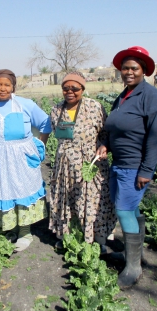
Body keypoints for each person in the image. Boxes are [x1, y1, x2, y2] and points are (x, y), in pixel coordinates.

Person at [97, 46, 157, 289]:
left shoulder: (152, 96)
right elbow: (114, 127)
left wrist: (147, 170)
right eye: (125, 68)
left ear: (144, 70)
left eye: (134, 68)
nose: (128, 72)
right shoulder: (124, 95)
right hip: (119, 164)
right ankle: (131, 255)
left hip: (135, 165)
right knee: (130, 209)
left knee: (125, 211)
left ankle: (133, 267)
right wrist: (105, 144)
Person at [0, 69, 51, 252]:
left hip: (22, 157)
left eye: (7, 84)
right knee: (3, 191)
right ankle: (9, 230)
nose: (2, 88)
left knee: (22, 191)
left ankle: (25, 233)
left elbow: (46, 123)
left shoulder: (25, 104)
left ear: (13, 86)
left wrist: (39, 147)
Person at [49, 71, 116, 251]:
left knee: (94, 202)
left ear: (83, 89)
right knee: (67, 201)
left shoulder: (95, 107)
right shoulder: (56, 110)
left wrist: (104, 147)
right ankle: (69, 238)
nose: (70, 91)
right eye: (65, 88)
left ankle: (98, 241)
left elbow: (105, 134)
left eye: (75, 88)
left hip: (91, 164)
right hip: (65, 166)